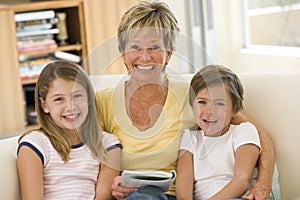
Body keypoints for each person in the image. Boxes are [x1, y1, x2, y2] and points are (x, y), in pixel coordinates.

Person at [95, 1, 275, 200]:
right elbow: (90, 164)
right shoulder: (102, 101)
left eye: (154, 47)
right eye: (135, 47)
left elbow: (260, 136)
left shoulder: (193, 96)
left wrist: (263, 185)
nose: (145, 57)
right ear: (122, 52)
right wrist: (115, 188)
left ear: (169, 53)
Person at [17, 60, 121, 200]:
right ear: (44, 105)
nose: (70, 107)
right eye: (59, 99)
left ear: (89, 98)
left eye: (77, 96)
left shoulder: (109, 145)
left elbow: (103, 197)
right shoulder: (35, 145)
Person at [176, 65, 261, 200]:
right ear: (192, 107)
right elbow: (183, 181)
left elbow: (242, 180)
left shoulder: (244, 131)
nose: (210, 111)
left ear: (235, 110)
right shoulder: (190, 137)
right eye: (202, 102)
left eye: (220, 103)